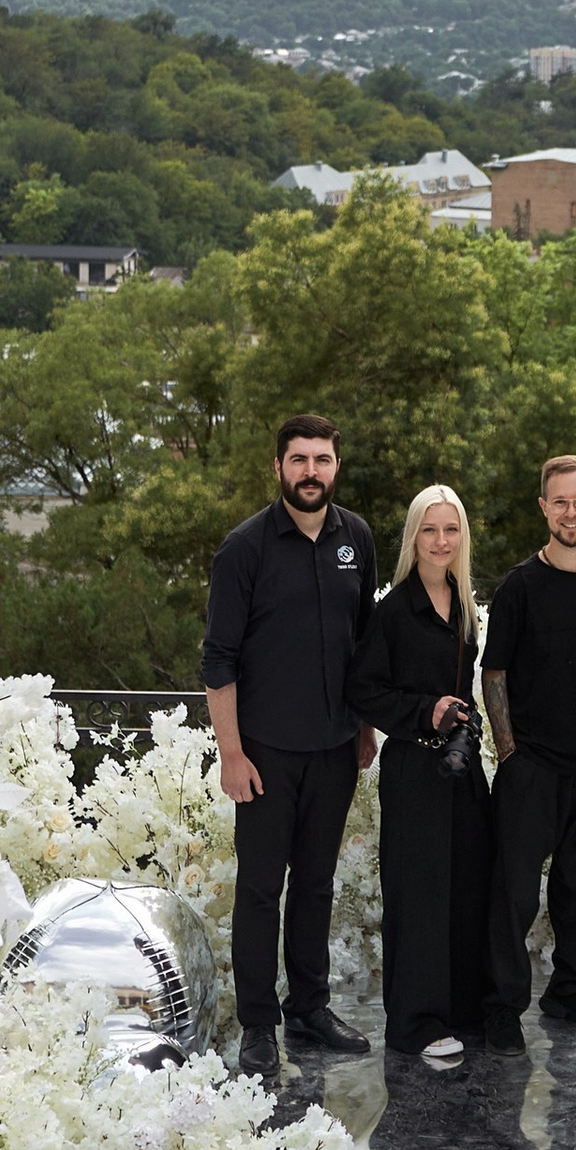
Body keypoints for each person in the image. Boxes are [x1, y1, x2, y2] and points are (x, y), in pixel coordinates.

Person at [201, 414, 378, 1081]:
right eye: (300, 459)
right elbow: (218, 659)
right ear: (278, 468)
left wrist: (362, 727)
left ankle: (310, 1007)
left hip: (334, 747)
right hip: (265, 754)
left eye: (322, 460)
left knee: (316, 884)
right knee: (259, 890)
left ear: (335, 467)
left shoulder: (355, 537)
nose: (312, 471)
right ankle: (257, 1024)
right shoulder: (244, 549)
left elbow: (362, 642)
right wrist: (231, 753)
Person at [482, 453, 576, 1048]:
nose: (572, 511)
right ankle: (501, 1005)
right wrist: (509, 752)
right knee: (515, 892)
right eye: (560, 501)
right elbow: (494, 674)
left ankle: (571, 989)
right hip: (533, 764)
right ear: (545, 508)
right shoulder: (520, 585)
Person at [364, 482, 490, 1069]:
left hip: (462, 768)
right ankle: (415, 1024)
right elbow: (364, 690)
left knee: (466, 885)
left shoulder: (463, 606)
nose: (441, 541)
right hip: (414, 766)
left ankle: (460, 1010)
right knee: (417, 894)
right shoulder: (391, 610)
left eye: (451, 529)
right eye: (429, 529)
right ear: (413, 536)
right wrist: (425, 712)